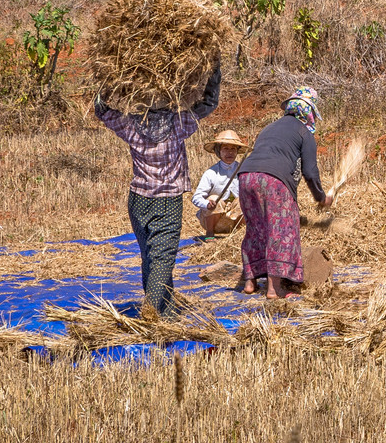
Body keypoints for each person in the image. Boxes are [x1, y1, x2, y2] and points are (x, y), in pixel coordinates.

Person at [92, 65, 221, 318]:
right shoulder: (179, 123)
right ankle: (150, 313)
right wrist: (213, 71)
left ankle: (168, 311)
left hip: (138, 199)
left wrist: (105, 76)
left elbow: (101, 109)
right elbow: (209, 103)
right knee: (162, 257)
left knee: (150, 256)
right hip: (167, 201)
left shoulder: (130, 124)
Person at [233, 86, 327, 299]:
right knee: (281, 230)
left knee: (256, 227)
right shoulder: (304, 132)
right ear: (309, 112)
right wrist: (321, 198)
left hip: (246, 176)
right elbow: (310, 172)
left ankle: (250, 282)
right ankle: (275, 289)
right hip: (272, 180)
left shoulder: (269, 128)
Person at [192, 129, 248, 237]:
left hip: (235, 220)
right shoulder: (211, 173)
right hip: (215, 221)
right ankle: (210, 233)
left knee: (244, 200)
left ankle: (239, 235)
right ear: (219, 151)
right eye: (225, 149)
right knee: (213, 198)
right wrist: (207, 205)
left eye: (233, 149)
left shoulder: (243, 170)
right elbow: (196, 197)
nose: (230, 152)